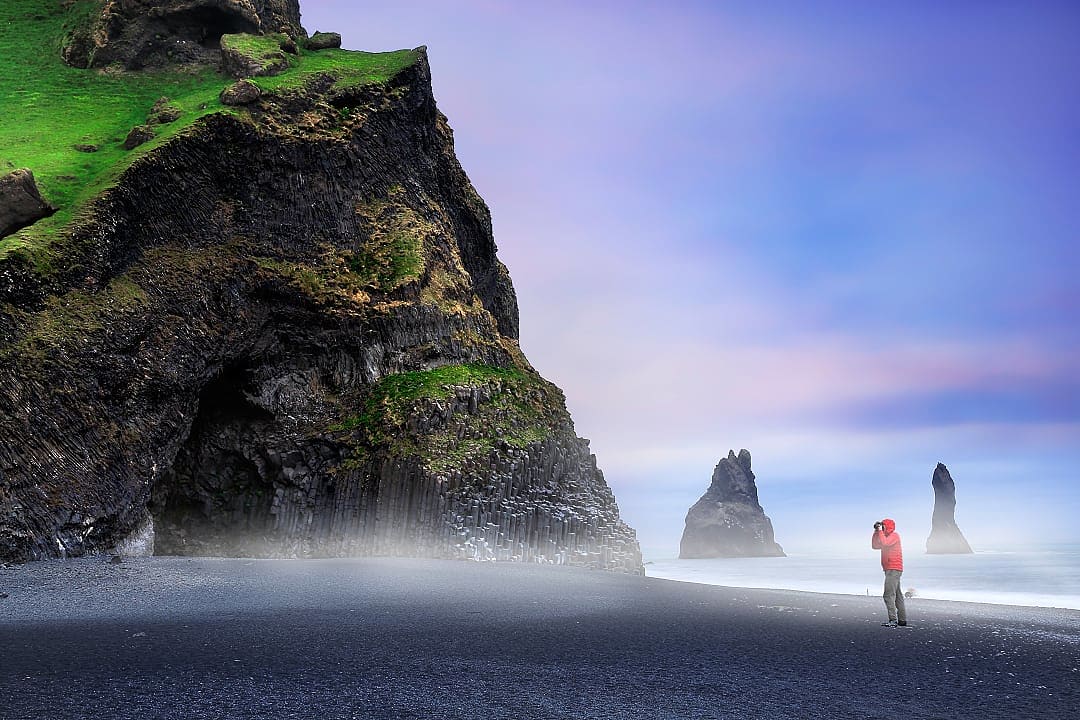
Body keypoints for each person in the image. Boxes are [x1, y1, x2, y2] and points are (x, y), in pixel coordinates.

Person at [871, 518, 907, 627]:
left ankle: (893, 620)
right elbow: (875, 546)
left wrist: (880, 531)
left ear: (888, 526)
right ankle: (902, 620)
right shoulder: (885, 537)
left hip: (893, 569)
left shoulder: (894, 536)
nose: (882, 527)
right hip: (890, 569)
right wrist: (876, 532)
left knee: (888, 595)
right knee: (898, 596)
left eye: (883, 526)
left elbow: (885, 543)